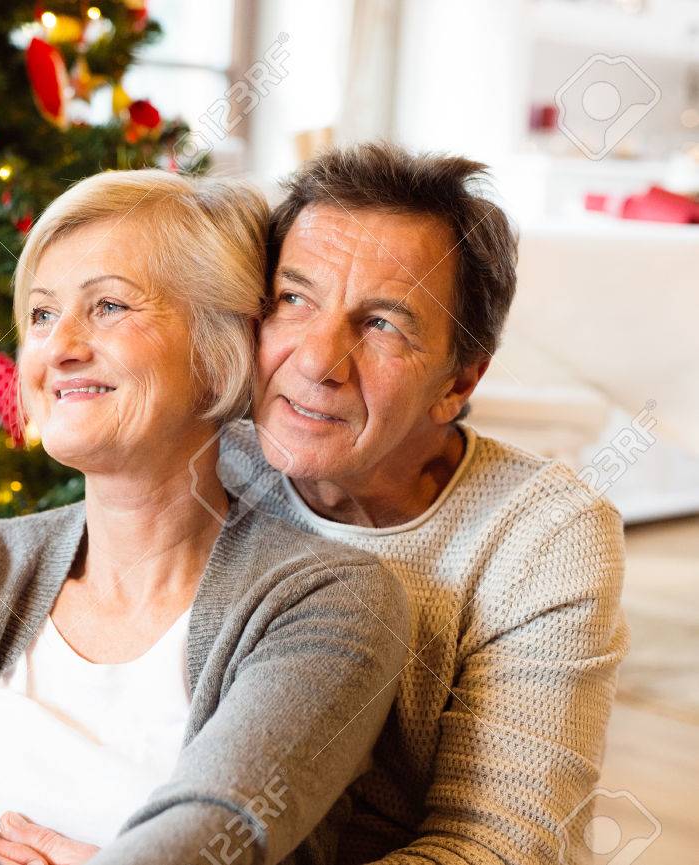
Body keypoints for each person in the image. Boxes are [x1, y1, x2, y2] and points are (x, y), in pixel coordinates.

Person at [0, 169, 409, 865]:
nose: (59, 347)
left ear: (220, 351)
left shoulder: (330, 600)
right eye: (40, 314)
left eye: (110, 306)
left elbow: (217, 830)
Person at [204, 142, 628, 863]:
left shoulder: (543, 534)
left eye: (381, 325)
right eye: (294, 299)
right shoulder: (208, 462)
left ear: (458, 384)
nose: (317, 361)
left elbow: (502, 844)